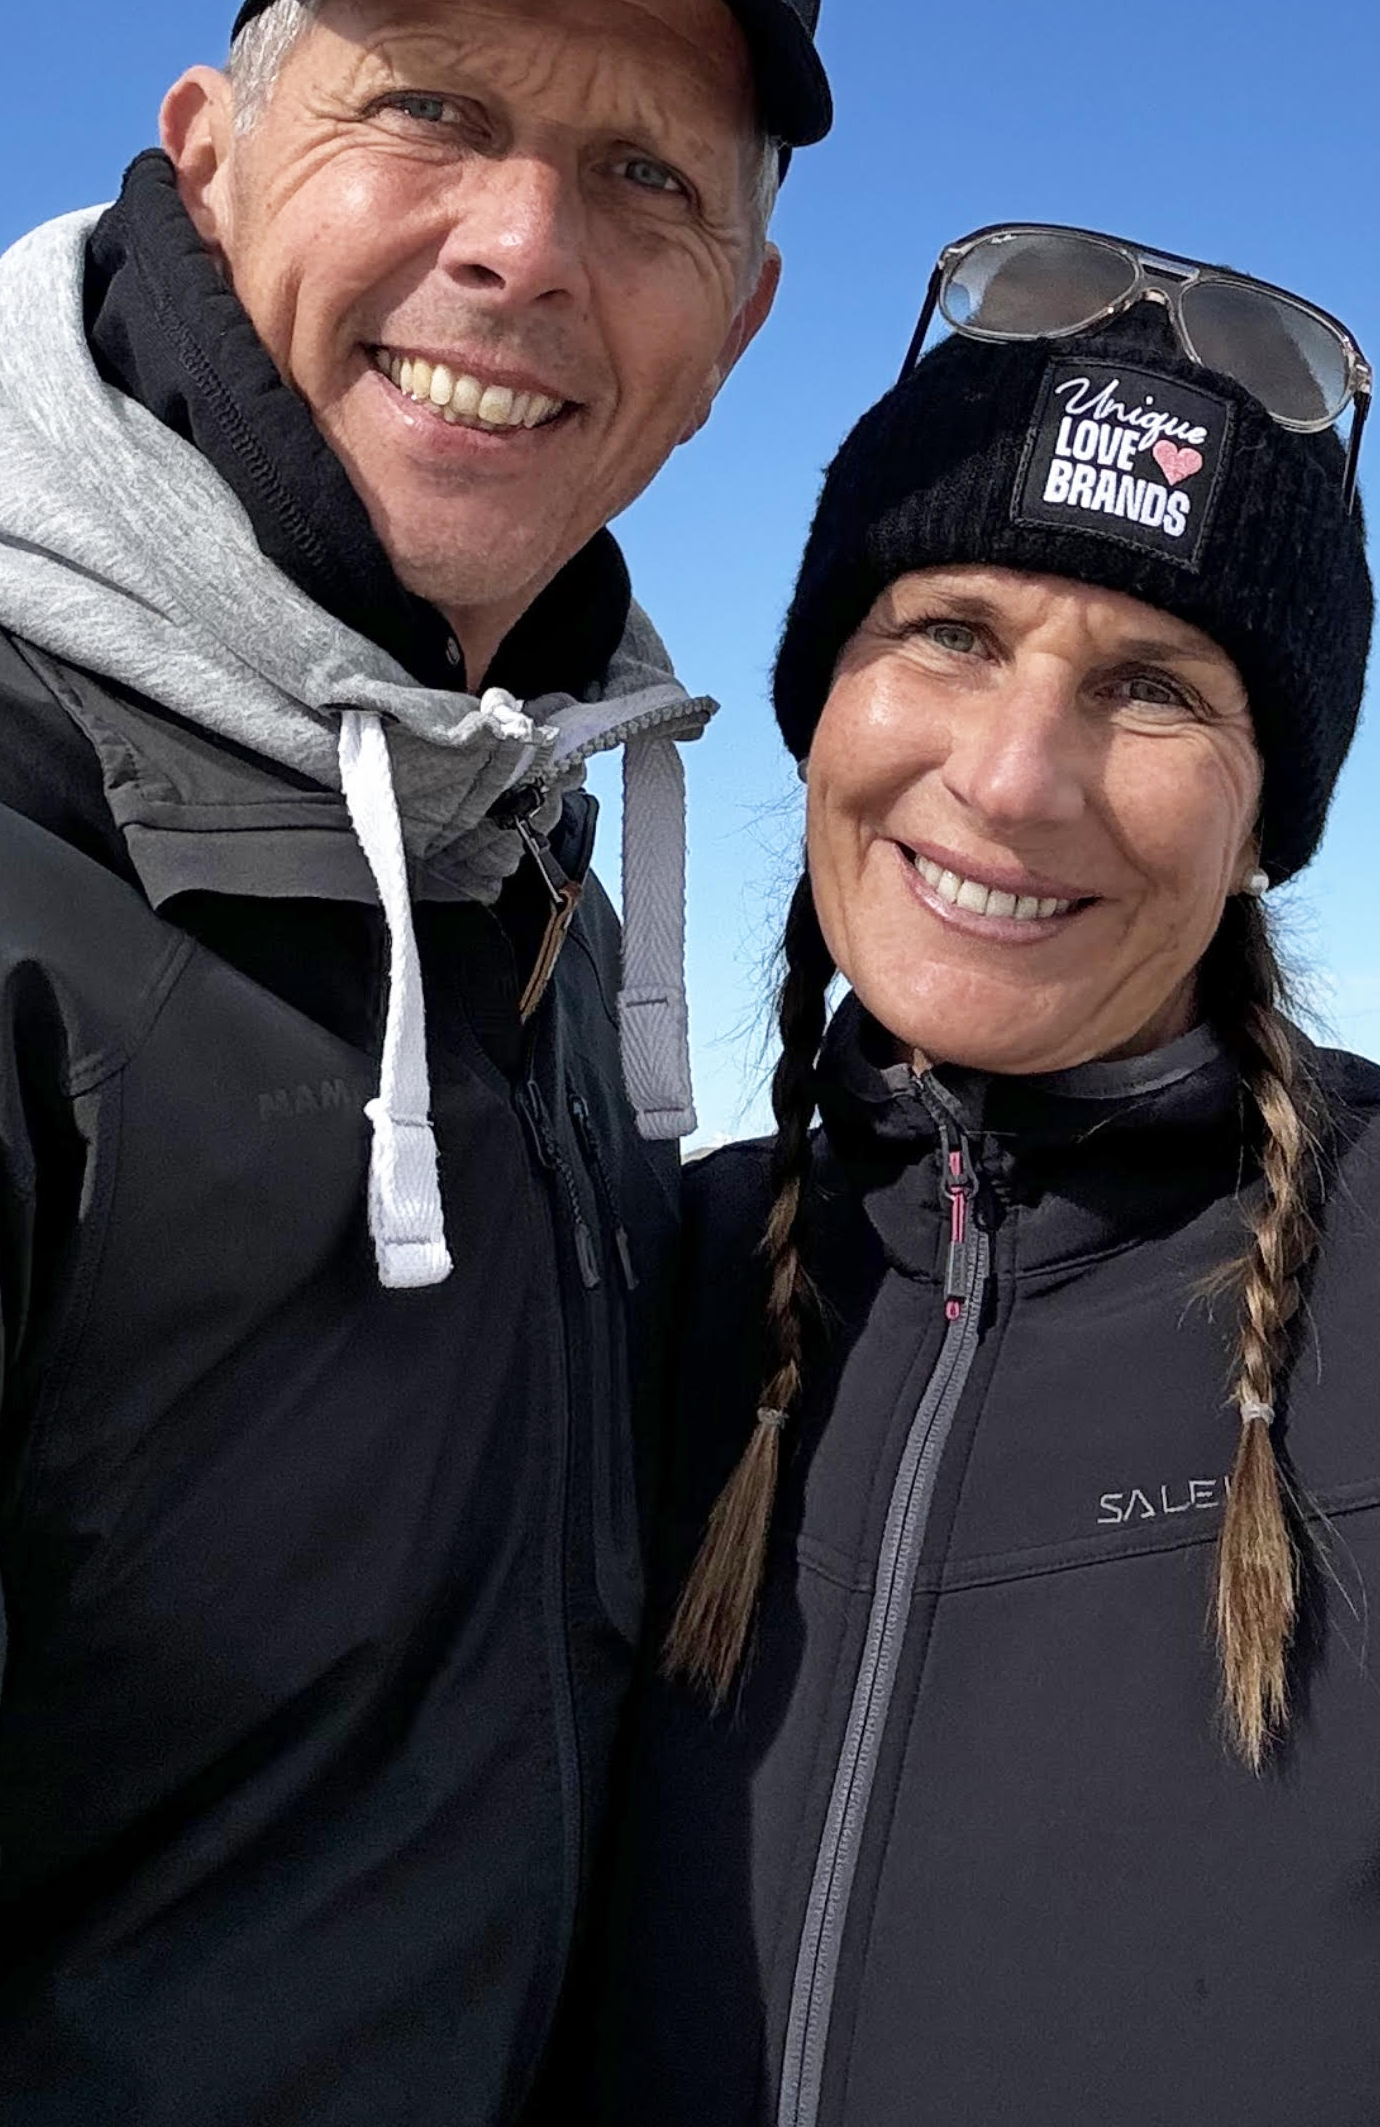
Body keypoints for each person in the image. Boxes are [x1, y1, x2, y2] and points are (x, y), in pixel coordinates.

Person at [0, 0, 830, 2124]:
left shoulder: (511, 849)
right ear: (207, 148)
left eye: (642, 174)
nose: (522, 247)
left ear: (736, 320)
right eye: (432, 110)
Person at [594, 229, 1380, 2126]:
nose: (1017, 778)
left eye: (1156, 687)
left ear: (1267, 817)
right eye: (948, 634)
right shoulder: (636, 1278)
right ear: (824, 701)